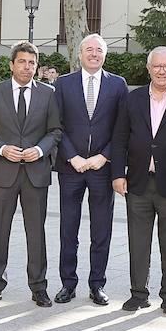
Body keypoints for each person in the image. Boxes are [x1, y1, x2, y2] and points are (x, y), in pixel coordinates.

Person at [0, 42, 62, 307]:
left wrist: (40, 149)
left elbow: (56, 131)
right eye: (22, 61)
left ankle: (38, 287)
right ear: (12, 64)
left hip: (36, 174)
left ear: (37, 67)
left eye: (32, 63)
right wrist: (2, 149)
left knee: (36, 232)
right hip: (3, 173)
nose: (27, 67)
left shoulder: (48, 93)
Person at [110, 47, 166, 315]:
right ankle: (138, 294)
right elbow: (120, 138)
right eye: (157, 66)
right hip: (138, 183)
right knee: (138, 241)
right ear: (148, 69)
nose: (162, 71)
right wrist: (118, 174)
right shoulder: (132, 99)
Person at [52, 34, 127, 306]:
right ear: (80, 54)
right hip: (70, 168)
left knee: (101, 230)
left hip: (101, 170)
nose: (94, 54)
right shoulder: (63, 84)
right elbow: (56, 124)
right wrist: (71, 156)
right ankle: (67, 284)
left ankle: (97, 284)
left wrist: (103, 156)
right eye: (89, 50)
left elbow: (122, 128)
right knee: (68, 229)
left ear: (104, 55)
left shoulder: (118, 85)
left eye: (99, 50)